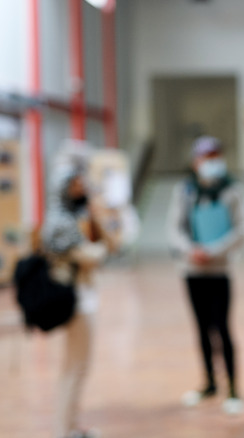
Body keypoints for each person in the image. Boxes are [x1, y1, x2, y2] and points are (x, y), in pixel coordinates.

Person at [167, 136, 244, 415]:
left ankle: (233, 389)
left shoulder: (233, 191)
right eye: (205, 157)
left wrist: (213, 251)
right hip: (192, 270)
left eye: (215, 156)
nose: (211, 162)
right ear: (195, 162)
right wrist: (189, 249)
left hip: (219, 271)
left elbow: (243, 230)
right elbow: (175, 227)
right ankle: (210, 383)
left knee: (222, 328)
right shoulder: (186, 191)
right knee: (201, 328)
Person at [41, 148, 120, 438]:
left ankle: (72, 427)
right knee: (74, 369)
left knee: (78, 367)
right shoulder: (60, 223)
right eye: (75, 184)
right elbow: (92, 255)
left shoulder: (77, 217)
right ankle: (64, 430)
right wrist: (101, 248)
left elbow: (110, 245)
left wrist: (99, 220)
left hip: (84, 296)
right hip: (74, 303)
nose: (82, 187)